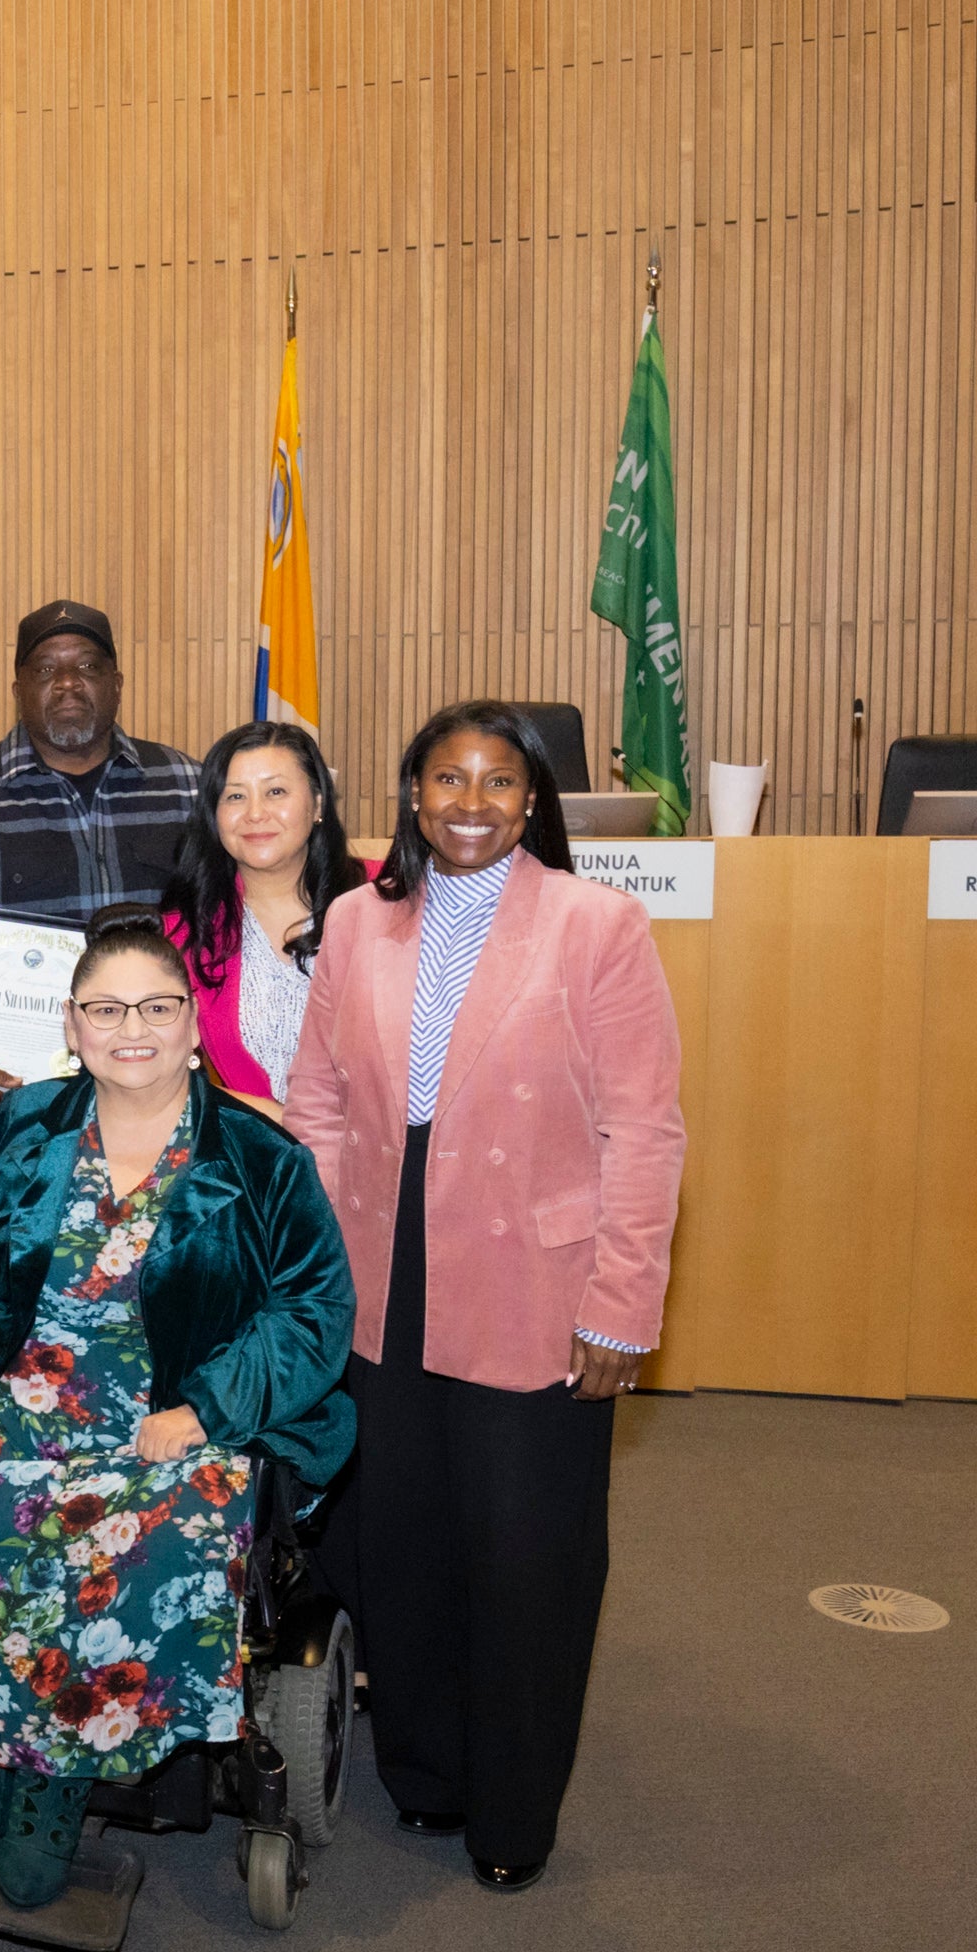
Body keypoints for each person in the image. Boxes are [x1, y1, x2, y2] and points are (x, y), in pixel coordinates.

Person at [0, 909, 356, 1910]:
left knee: (118, 1526)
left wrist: (210, 1407)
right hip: (28, 1383)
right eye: (106, 1007)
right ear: (73, 1023)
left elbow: (315, 1312)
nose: (132, 1025)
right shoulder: (31, 1127)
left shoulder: (262, 1158)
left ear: (191, 1026)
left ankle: (54, 1781)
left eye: (158, 1005)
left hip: (174, 1403)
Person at [285, 700, 685, 1891]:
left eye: (497, 781)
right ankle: (429, 1771)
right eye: (446, 779)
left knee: (525, 1557)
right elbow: (315, 1100)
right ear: (411, 795)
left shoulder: (598, 924)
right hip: (378, 1273)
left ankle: (512, 1810)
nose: (470, 801)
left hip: (538, 1283)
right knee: (400, 1545)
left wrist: (622, 1300)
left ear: (532, 800)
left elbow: (645, 1128)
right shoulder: (358, 920)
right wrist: (306, 1261)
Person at [0, 600, 201, 1108]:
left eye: (88, 667)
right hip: (18, 1117)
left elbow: (230, 935)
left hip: (167, 1103)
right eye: (47, 669)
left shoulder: (186, 788)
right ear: (18, 691)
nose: (68, 682)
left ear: (117, 684)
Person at [160, 722, 373, 1123]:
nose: (255, 813)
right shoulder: (182, 933)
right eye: (235, 796)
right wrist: (271, 1121)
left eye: (276, 792)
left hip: (383, 1158)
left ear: (318, 803)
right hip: (262, 1162)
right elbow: (156, 1070)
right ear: (214, 815)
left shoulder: (388, 897)